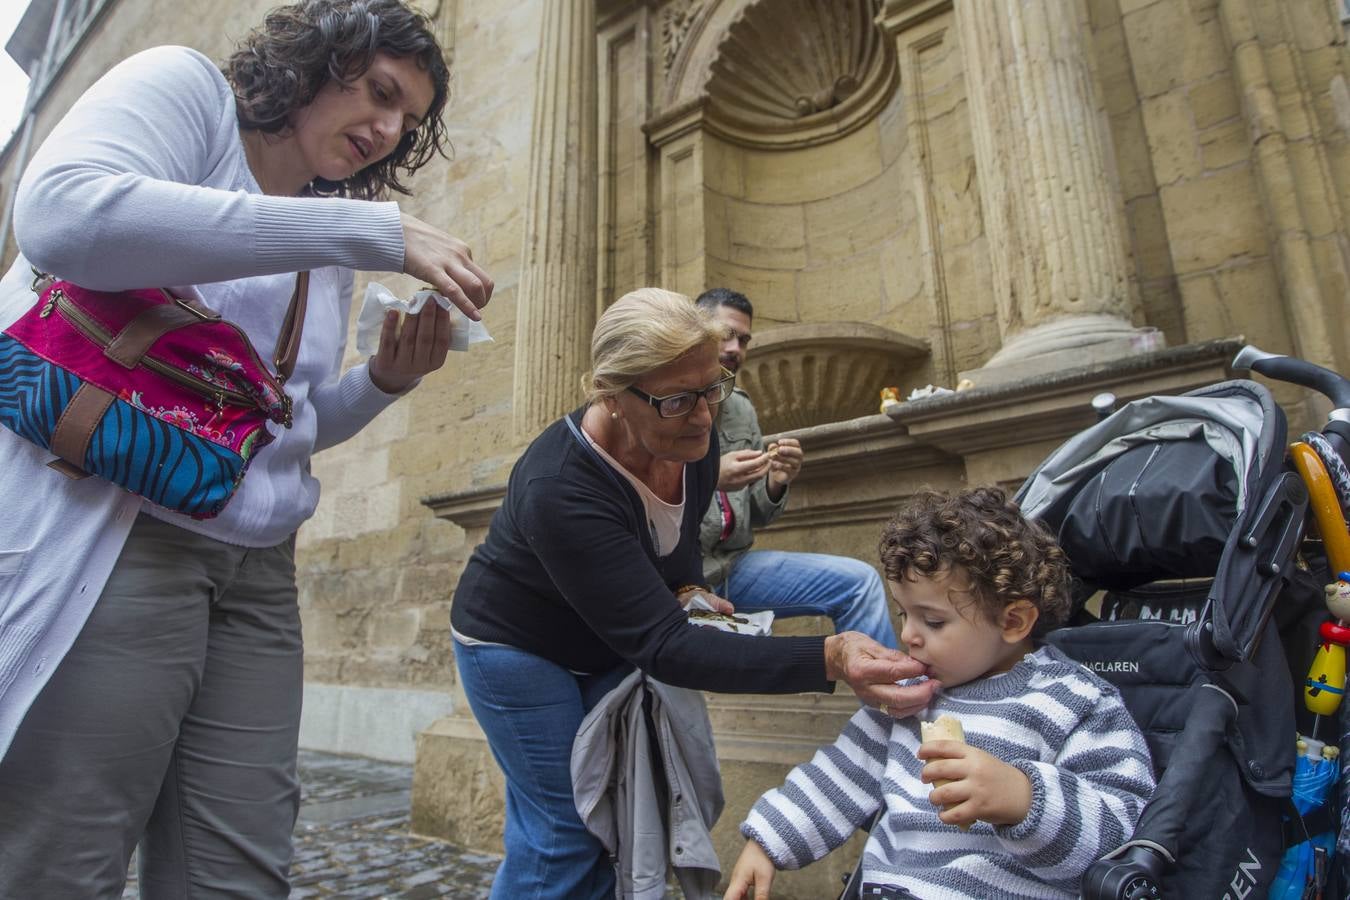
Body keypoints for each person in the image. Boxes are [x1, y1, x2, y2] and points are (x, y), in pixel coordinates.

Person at [0, 2, 492, 896]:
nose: (387, 132)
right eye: (380, 94)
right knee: (66, 854)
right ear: (316, 59)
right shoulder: (188, 93)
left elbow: (276, 431)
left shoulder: (324, 240)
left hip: (258, 572)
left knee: (241, 869)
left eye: (408, 123)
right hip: (113, 532)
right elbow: (60, 215)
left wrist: (384, 382)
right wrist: (375, 231)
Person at [449, 288, 940, 900]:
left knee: (609, 815)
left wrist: (688, 588)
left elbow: (679, 546)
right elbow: (663, 646)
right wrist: (831, 657)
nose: (705, 417)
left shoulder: (691, 441)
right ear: (610, 391)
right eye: (678, 399)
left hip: (601, 641)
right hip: (516, 650)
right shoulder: (560, 485)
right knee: (568, 832)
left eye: (713, 389)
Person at [724, 487, 1156, 900]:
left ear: (1013, 622)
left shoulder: (1074, 702)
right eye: (904, 614)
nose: (908, 635)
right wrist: (769, 841)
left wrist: (1025, 799)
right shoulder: (908, 699)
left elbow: (1120, 830)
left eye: (932, 622)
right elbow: (840, 774)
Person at [694, 288, 897, 648]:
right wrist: (708, 477)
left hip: (732, 569)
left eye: (743, 340)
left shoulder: (741, 408)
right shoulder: (664, 401)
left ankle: (891, 702)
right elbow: (641, 495)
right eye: (726, 335)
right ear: (695, 330)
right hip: (675, 580)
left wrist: (775, 482)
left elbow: (755, 512)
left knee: (859, 582)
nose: (735, 350)